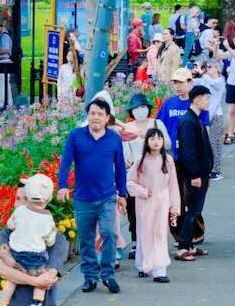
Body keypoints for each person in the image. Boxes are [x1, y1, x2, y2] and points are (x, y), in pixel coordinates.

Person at [57, 97, 128, 294]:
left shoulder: (114, 139)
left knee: (109, 234)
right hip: (82, 198)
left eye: (100, 114)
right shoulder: (76, 136)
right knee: (86, 240)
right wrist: (62, 186)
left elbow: (120, 168)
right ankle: (89, 277)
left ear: (107, 118)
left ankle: (108, 274)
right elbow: (65, 163)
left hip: (107, 197)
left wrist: (122, 194)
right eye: (92, 113)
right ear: (88, 116)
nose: (95, 117)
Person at [0, 174, 58, 306]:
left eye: (23, 199)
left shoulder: (15, 224)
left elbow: (51, 275)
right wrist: (36, 281)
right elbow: (3, 269)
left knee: (13, 280)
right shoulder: (47, 220)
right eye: (16, 198)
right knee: (41, 272)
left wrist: (9, 261)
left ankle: (3, 305)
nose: (19, 204)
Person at [127, 128, 180, 282]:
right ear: (147, 141)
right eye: (152, 139)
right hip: (144, 203)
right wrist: (141, 191)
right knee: (144, 233)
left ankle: (159, 269)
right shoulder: (140, 161)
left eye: (159, 138)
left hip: (162, 202)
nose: (156, 142)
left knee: (160, 234)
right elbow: (130, 182)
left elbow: (173, 185)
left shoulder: (168, 160)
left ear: (163, 141)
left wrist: (174, 207)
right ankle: (143, 264)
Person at [121, 93, 170, 257]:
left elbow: (167, 143)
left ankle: (154, 241)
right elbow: (124, 150)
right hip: (135, 173)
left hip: (155, 172)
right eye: (136, 108)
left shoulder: (157, 123)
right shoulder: (127, 128)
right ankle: (136, 241)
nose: (140, 110)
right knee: (134, 209)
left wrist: (151, 140)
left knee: (154, 207)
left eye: (142, 107)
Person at [174, 85, 214, 262]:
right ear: (196, 99)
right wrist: (195, 175)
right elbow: (188, 151)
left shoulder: (195, 118)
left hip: (202, 173)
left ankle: (189, 244)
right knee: (191, 210)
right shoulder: (188, 121)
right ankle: (183, 247)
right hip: (194, 175)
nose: (208, 101)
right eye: (206, 98)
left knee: (195, 210)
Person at [197, 59, 227, 179]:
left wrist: (201, 71)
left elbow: (209, 81)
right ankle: (209, 168)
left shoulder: (220, 81)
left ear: (216, 68)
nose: (207, 69)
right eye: (206, 67)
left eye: (209, 67)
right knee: (207, 142)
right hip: (207, 115)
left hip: (216, 115)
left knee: (215, 143)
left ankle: (217, 170)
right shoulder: (206, 81)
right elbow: (197, 83)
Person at [0, 20, 16, 109]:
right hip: (2, 62)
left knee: (1, 84)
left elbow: (5, 50)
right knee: (5, 84)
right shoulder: (2, 36)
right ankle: (9, 103)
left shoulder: (4, 36)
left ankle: (0, 104)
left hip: (3, 62)